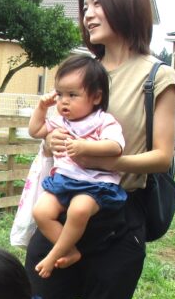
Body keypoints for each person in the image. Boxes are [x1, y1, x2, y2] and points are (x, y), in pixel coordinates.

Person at [16, 0, 175, 299]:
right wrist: (55, 137)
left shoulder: (157, 76)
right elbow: (47, 128)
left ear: (127, 6)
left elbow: (162, 156)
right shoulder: (78, 71)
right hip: (61, 206)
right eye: (84, 4)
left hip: (116, 218)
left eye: (96, 3)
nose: (87, 12)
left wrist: (101, 157)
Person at [28, 54, 126, 278]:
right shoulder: (60, 121)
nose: (64, 101)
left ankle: (53, 256)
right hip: (63, 181)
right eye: (60, 94)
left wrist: (85, 147)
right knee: (41, 212)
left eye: (73, 95)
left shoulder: (103, 121)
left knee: (79, 210)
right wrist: (42, 108)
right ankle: (70, 251)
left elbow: (116, 147)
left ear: (96, 97)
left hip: (95, 184)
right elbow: (35, 131)